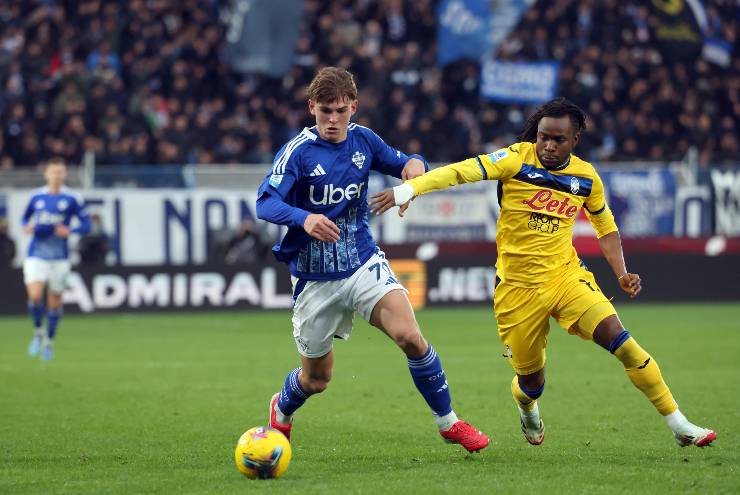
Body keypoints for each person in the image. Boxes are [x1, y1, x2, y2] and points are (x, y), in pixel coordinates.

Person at [370, 98, 716, 448]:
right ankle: (526, 403)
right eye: (543, 137)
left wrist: (621, 273)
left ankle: (680, 424)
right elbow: (460, 172)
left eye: (558, 139)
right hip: (517, 291)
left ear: (575, 139)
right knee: (531, 381)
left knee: (623, 343)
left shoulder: (585, 177)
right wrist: (409, 188)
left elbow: (605, 228)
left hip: (566, 278)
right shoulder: (515, 160)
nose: (548, 145)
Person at [255, 67, 490, 452]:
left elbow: (411, 162)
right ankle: (281, 408)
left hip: (363, 263)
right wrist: (305, 218)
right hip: (316, 278)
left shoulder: (364, 141)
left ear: (354, 107)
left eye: (341, 111)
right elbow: (266, 201)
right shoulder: (298, 152)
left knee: (411, 338)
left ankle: (449, 423)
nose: (333, 120)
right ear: (311, 108)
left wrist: (412, 181)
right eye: (325, 111)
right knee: (317, 380)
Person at [21, 159, 91, 361]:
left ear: (65, 175)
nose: (57, 176)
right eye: (54, 172)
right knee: (35, 296)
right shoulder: (36, 197)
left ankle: (49, 341)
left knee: (54, 303)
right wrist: (27, 226)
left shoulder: (72, 198)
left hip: (60, 257)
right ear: (46, 174)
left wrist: (71, 230)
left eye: (61, 172)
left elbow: (86, 223)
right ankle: (37, 331)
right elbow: (25, 218)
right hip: (36, 254)